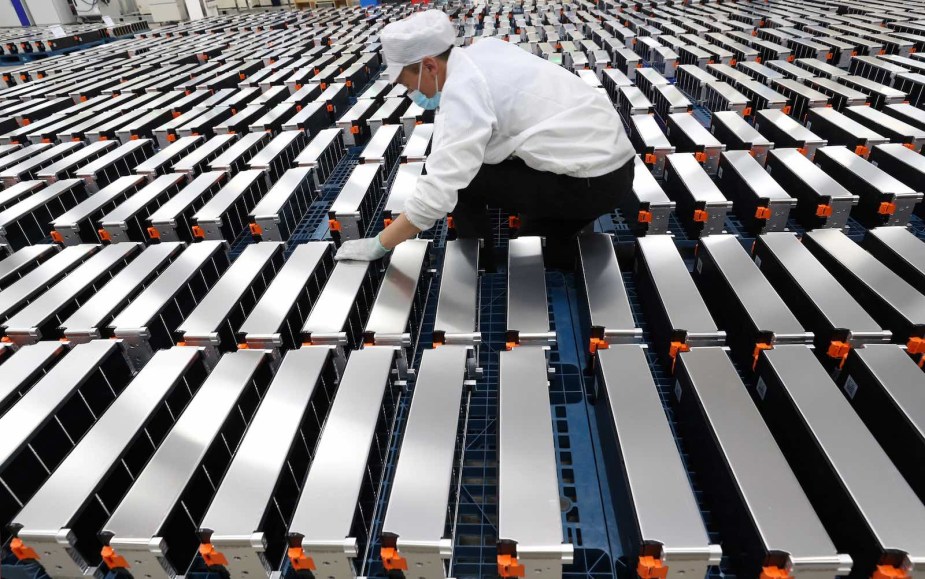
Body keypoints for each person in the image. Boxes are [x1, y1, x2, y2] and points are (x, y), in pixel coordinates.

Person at [334, 9, 635, 269]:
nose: (411, 92)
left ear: (429, 66)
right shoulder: (484, 51)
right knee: (538, 245)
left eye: (407, 82)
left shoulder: (464, 90)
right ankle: (614, 254)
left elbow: (439, 192)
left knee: (468, 180)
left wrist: (380, 244)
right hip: (611, 163)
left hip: (591, 181)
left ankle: (479, 262)